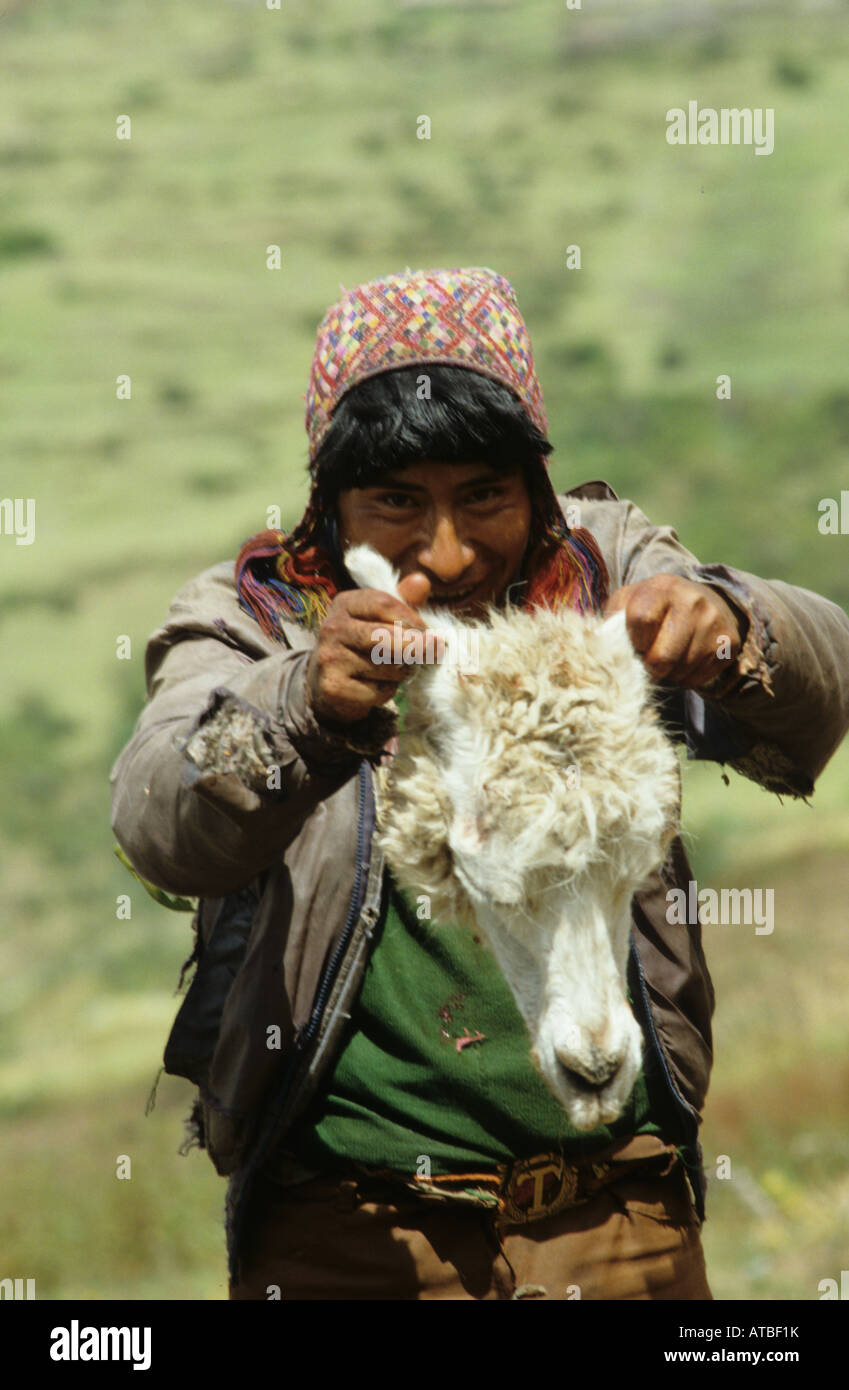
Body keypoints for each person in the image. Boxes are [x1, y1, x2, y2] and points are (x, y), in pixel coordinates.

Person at [110, 266, 849, 1300]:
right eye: (396, 503)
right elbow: (158, 817)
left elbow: (821, 698)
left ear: (536, 487)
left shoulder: (610, 571)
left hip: (619, 1217)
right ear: (331, 502)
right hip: (352, 1231)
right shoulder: (260, 621)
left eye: (485, 496)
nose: (447, 550)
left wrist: (729, 630)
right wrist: (303, 706)